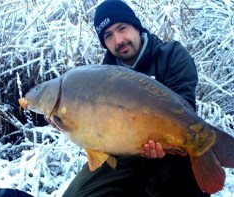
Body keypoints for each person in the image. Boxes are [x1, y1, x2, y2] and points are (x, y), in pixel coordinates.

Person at [63, 0, 209, 196]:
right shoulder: (101, 78)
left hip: (172, 148)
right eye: (109, 36)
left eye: (122, 28)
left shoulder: (172, 55)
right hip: (121, 153)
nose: (118, 40)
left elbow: (185, 111)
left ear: (136, 26)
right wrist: (67, 118)